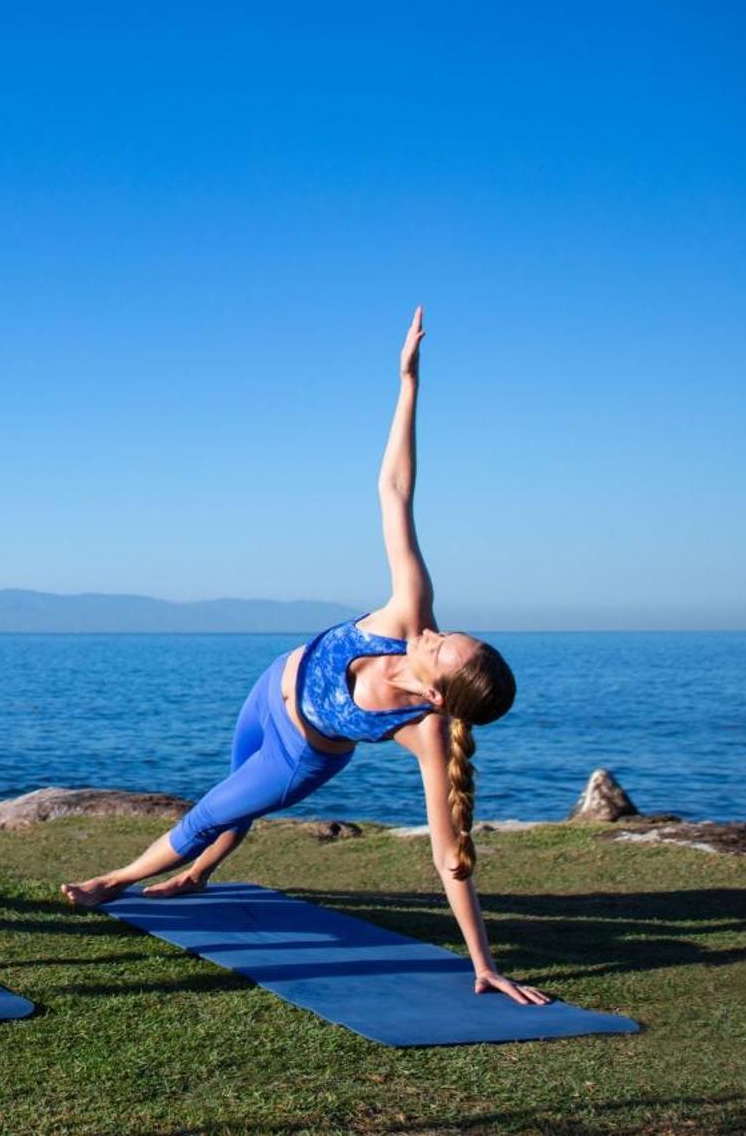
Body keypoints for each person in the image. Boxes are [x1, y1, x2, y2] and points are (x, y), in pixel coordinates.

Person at [58, 309, 550, 1006]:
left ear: (439, 694)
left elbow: (450, 855)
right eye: (450, 632)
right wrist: (407, 383)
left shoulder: (427, 732)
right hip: (269, 688)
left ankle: (116, 879)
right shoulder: (411, 609)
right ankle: (198, 875)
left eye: (441, 648)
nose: (433, 634)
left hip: (301, 754)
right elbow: (395, 492)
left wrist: (484, 961)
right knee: (232, 793)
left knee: (210, 813)